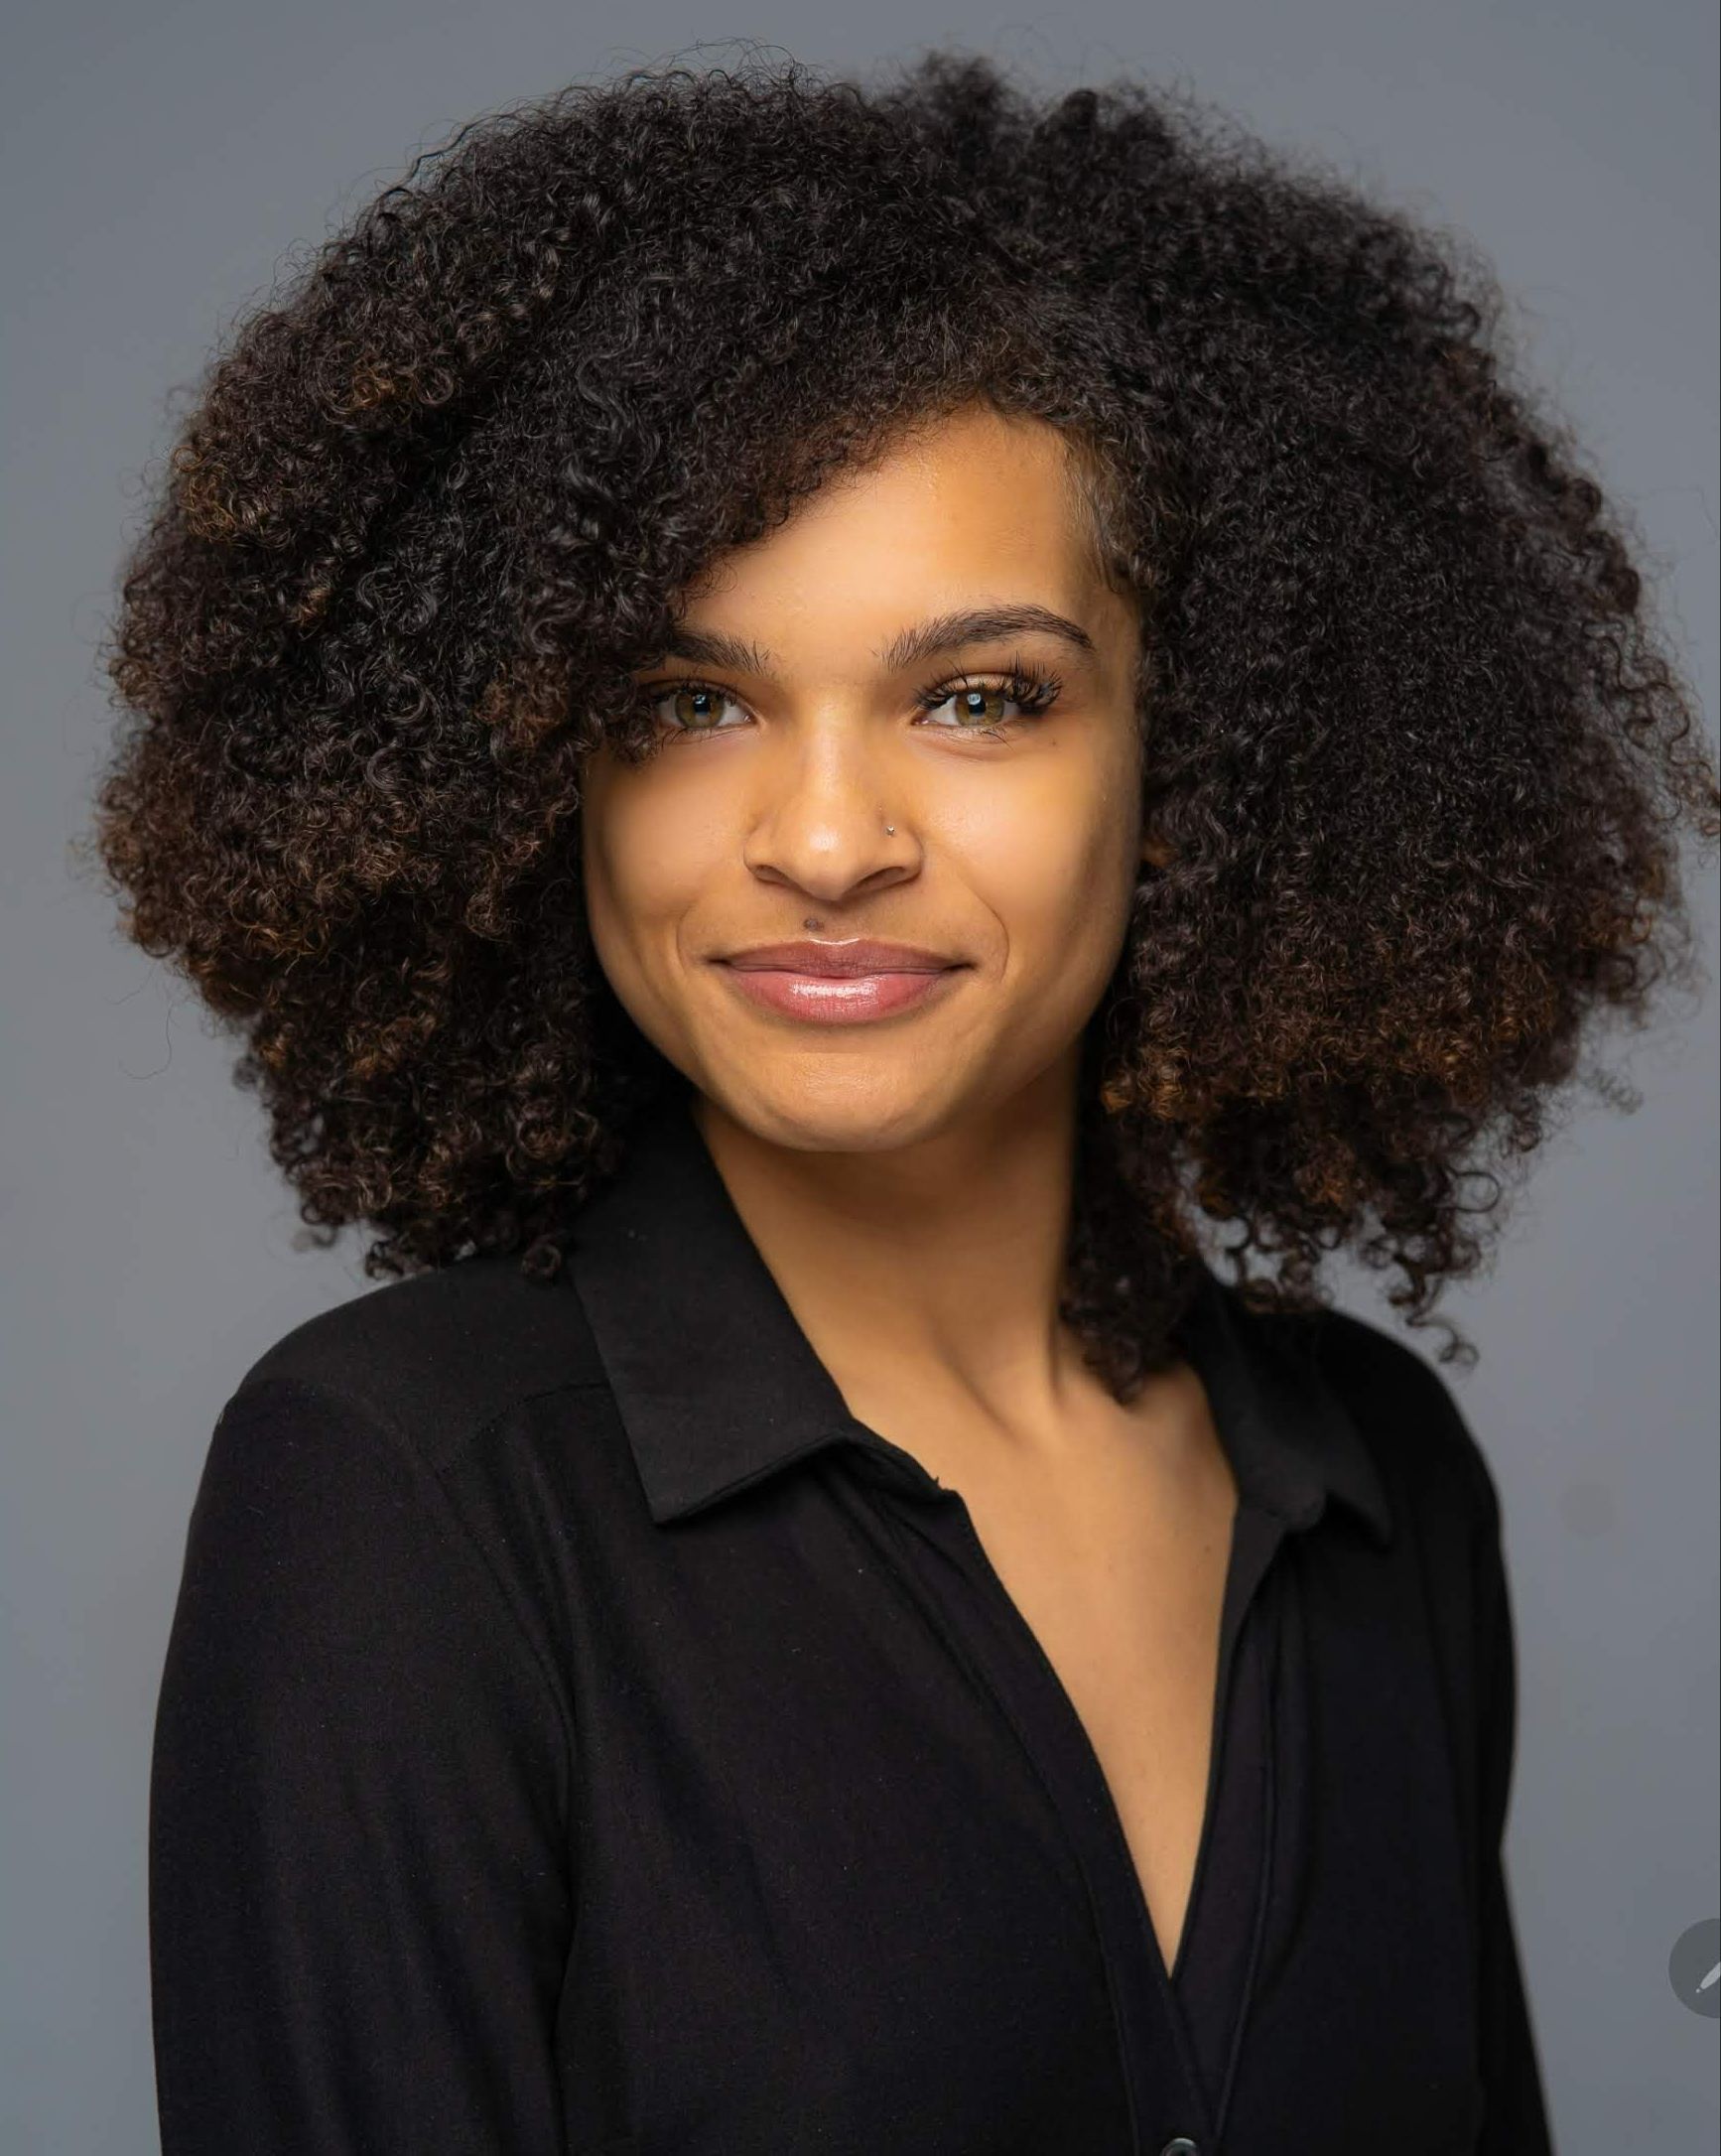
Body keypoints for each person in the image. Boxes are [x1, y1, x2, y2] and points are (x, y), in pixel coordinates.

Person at [90, 47, 1717, 2156]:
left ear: (1198, 751)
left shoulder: (1378, 1490)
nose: (829, 837)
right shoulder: (407, 1507)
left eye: (980, 699)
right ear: (538, 771)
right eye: (688, 704)